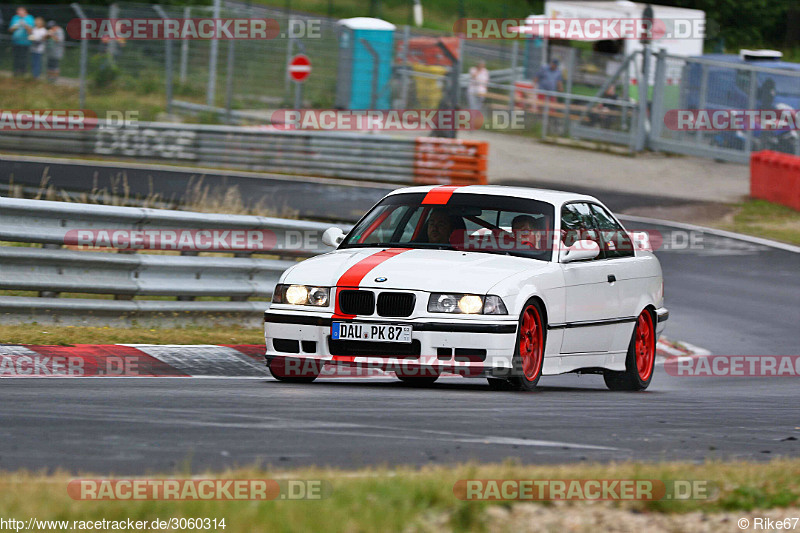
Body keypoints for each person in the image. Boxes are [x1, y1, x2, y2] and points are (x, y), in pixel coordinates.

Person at [8, 6, 34, 77]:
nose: (18, 12)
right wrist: (14, 27)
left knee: (23, 58)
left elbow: (31, 31)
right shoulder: (15, 18)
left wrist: (25, 25)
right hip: (16, 42)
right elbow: (10, 30)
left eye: (20, 11)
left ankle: (23, 72)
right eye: (17, 11)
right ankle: (16, 72)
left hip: (25, 42)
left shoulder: (29, 18)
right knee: (16, 57)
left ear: (24, 11)